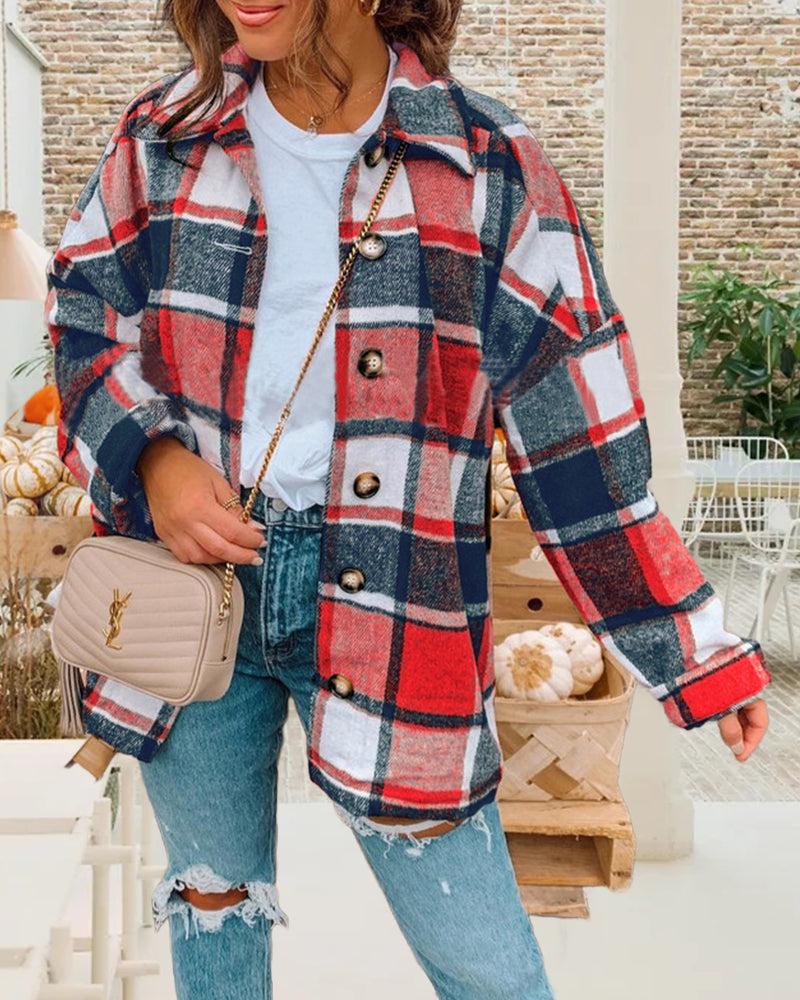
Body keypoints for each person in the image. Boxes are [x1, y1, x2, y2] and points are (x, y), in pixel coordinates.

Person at [46, 1, 771, 997]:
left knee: (486, 968)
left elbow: (579, 435)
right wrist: (155, 460)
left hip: (394, 602)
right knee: (213, 916)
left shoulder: (487, 167)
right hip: (190, 594)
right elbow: (83, 314)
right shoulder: (164, 136)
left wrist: (694, 651)